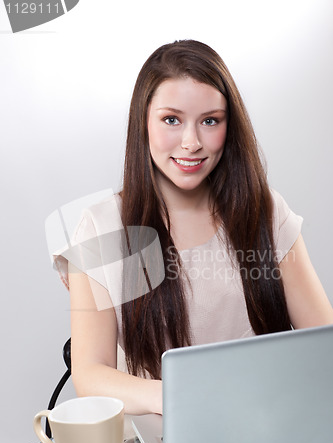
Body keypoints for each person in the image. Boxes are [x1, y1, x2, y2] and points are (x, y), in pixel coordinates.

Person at [55, 39, 333, 417]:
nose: (192, 143)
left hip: (268, 428)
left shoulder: (263, 211)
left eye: (210, 121)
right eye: (171, 120)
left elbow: (323, 341)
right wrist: (189, 398)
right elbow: (91, 374)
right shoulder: (105, 228)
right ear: (144, 123)